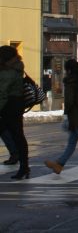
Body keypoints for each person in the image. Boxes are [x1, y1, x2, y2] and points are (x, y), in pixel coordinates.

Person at [0, 45, 30, 179]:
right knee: (19, 136)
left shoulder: (8, 71)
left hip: (8, 105)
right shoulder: (17, 67)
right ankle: (24, 167)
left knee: (16, 136)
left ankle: (22, 165)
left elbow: (2, 93)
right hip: (17, 104)